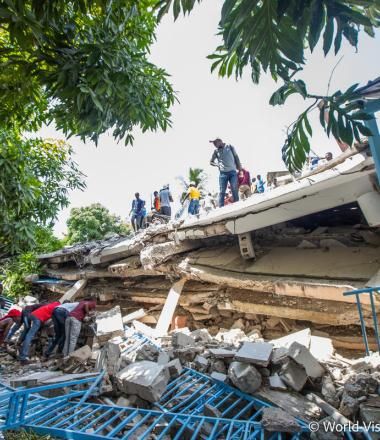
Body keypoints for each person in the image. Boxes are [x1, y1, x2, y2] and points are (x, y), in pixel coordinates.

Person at [209, 138, 242, 207]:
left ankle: (237, 205)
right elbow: (211, 162)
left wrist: (239, 168)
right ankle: (221, 207)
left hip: (232, 172)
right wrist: (217, 165)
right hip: (223, 174)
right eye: (213, 144)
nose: (214, 145)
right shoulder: (216, 151)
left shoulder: (230, 146)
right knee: (222, 191)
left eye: (215, 143)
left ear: (220, 141)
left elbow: (236, 157)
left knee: (234, 188)